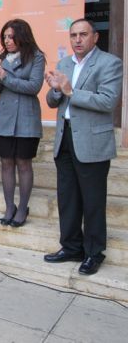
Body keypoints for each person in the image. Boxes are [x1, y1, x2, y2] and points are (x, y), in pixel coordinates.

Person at [43, 18, 123, 276]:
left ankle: (93, 253)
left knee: (92, 202)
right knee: (68, 199)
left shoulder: (110, 63)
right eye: (73, 35)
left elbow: (108, 101)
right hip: (65, 139)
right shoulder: (65, 63)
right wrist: (55, 90)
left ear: (95, 37)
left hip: (92, 142)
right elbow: (54, 100)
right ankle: (71, 246)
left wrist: (69, 91)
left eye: (83, 34)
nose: (77, 40)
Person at [0, 19, 45, 227]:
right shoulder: (1, 58)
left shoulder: (36, 57)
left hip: (26, 119)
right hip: (5, 119)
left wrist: (5, 76)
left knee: (23, 163)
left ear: (23, 36)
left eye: (11, 36)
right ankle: (9, 206)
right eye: (4, 36)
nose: (7, 40)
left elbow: (34, 87)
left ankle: (22, 208)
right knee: (6, 163)